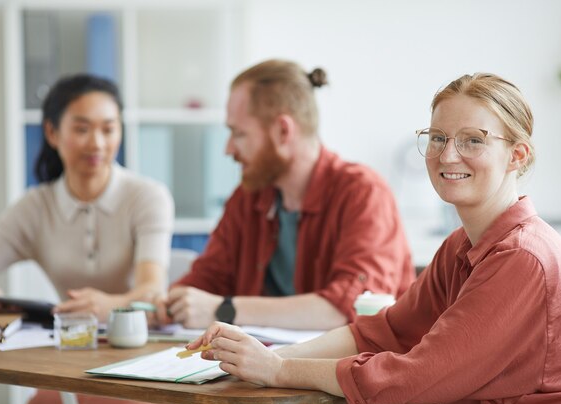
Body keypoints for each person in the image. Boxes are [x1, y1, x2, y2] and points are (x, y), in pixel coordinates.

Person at [188, 73, 561, 404]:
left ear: (517, 155)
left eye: (473, 140)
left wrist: (279, 369)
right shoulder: (461, 246)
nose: (448, 155)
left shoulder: (522, 257)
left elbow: (419, 373)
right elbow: (383, 332)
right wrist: (265, 357)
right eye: (438, 137)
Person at [157, 59, 416, 332]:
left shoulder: (364, 193)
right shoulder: (248, 197)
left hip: (340, 370)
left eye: (238, 133)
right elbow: (207, 279)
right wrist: (171, 304)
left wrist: (225, 309)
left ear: (283, 131)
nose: (228, 149)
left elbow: (352, 306)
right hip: (259, 366)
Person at [0, 74, 178, 404]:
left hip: (142, 362)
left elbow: (150, 290)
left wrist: (108, 304)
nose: (97, 143)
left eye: (109, 129)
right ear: (53, 133)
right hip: (67, 362)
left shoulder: (147, 197)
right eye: (82, 129)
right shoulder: (33, 208)